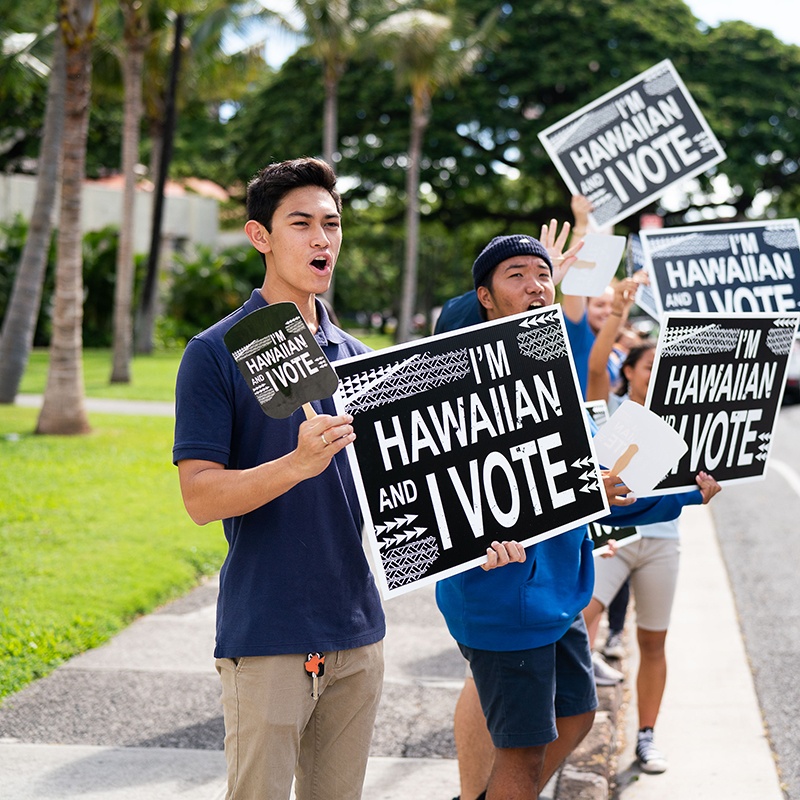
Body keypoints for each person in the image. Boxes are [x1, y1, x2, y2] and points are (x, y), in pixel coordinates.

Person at [435, 229, 711, 800]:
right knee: (522, 755)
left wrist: (689, 491)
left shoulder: (553, 367)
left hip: (558, 595)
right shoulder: (463, 369)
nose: (536, 285)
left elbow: (605, 480)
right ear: (484, 298)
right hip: (506, 596)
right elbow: (478, 484)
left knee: (578, 715)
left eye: (543, 276)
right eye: (516, 276)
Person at [172, 157, 387, 800]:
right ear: (260, 236)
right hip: (268, 632)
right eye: (302, 224)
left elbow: (399, 498)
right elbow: (199, 497)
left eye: (332, 224)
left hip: (358, 634)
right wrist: (295, 465)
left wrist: (476, 543)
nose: (322, 239)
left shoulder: (361, 359)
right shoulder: (214, 352)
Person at [583, 307, 722, 775]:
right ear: (628, 371)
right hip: (614, 539)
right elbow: (594, 366)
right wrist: (619, 311)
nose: (656, 373)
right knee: (581, 616)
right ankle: (569, 710)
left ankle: (646, 735)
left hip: (662, 541)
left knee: (654, 640)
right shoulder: (607, 408)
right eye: (648, 365)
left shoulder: (684, 418)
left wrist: (706, 487)